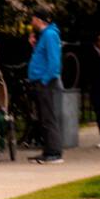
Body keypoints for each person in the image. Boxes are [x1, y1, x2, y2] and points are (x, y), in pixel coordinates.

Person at [27, 8, 64, 164]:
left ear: (40, 20)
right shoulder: (45, 35)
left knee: (48, 117)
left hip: (45, 83)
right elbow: (43, 57)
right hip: (41, 81)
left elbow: (54, 62)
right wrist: (34, 46)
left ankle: (54, 152)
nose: (32, 22)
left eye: (33, 18)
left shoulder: (50, 35)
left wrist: (44, 80)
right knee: (43, 118)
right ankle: (48, 150)